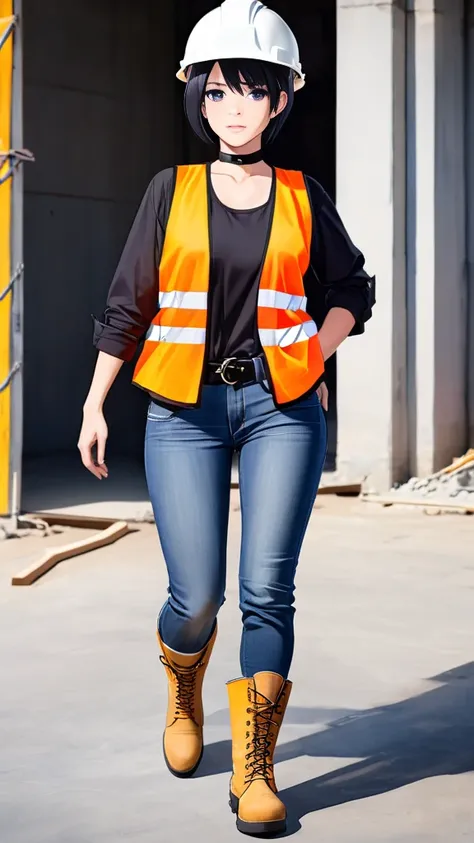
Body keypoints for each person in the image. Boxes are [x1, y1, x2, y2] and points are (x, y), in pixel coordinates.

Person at [78, 0, 375, 835]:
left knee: (266, 591)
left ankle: (254, 772)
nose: (234, 107)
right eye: (217, 92)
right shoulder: (166, 194)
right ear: (197, 102)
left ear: (282, 100)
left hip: (282, 408)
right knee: (198, 593)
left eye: (252, 90)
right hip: (183, 409)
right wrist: (98, 400)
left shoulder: (302, 196)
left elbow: (353, 289)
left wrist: (316, 353)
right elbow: (127, 304)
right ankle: (183, 688)